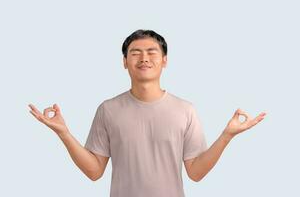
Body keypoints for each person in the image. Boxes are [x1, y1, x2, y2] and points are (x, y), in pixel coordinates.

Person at [28, 29, 267, 197]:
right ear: (124, 62)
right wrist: (63, 132)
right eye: (135, 52)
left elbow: (195, 172)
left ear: (164, 61)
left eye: (152, 52)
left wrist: (227, 135)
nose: (144, 58)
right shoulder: (108, 110)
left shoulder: (185, 110)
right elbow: (94, 171)